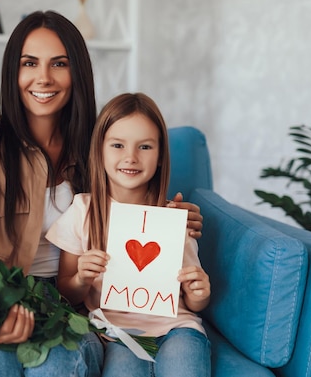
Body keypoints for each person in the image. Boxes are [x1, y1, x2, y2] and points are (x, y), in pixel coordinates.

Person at [0, 10, 203, 377]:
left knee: (60, 363)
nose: (43, 78)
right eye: (29, 63)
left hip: (77, 304)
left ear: (77, 71)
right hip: (2, 294)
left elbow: (136, 200)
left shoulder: (100, 141)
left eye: (59, 64)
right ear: (12, 72)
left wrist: (171, 216)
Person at [46, 92, 212, 377]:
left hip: (177, 327)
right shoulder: (83, 210)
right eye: (118, 145)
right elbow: (66, 291)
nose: (130, 157)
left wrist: (200, 293)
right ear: (99, 150)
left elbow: (194, 298)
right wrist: (82, 277)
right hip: (116, 333)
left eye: (145, 146)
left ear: (160, 156)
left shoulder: (173, 217)